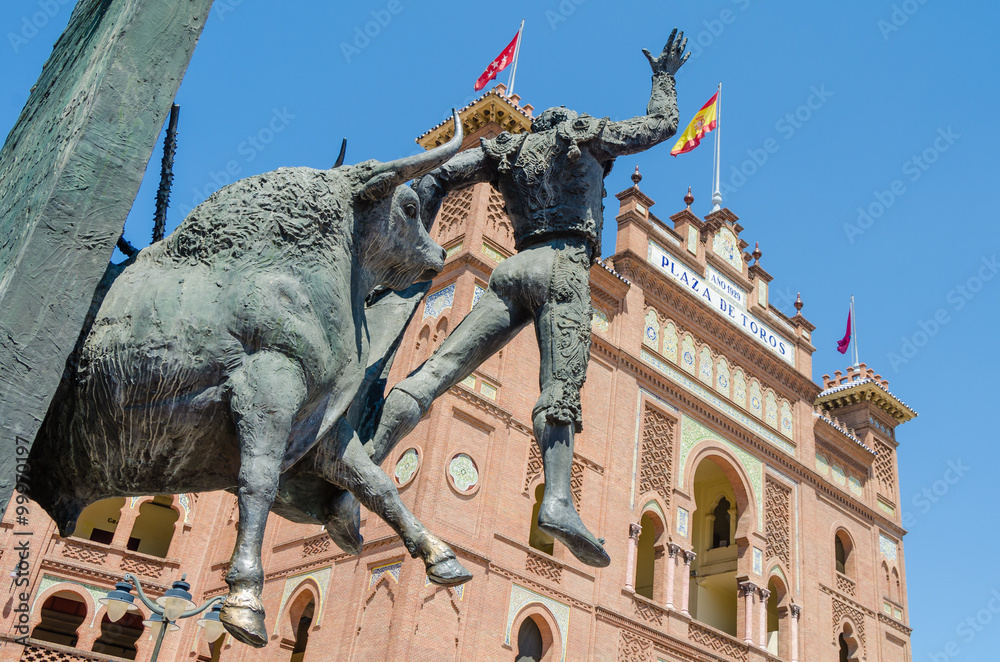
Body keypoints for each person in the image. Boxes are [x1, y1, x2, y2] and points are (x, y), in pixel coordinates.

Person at [369, 29, 690, 567]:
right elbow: (660, 126)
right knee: (560, 391)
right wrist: (664, 78)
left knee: (436, 370)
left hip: (512, 268)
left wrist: (416, 234)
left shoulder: (509, 149)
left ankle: (367, 453)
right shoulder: (586, 135)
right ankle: (558, 500)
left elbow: (439, 176)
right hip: (564, 268)